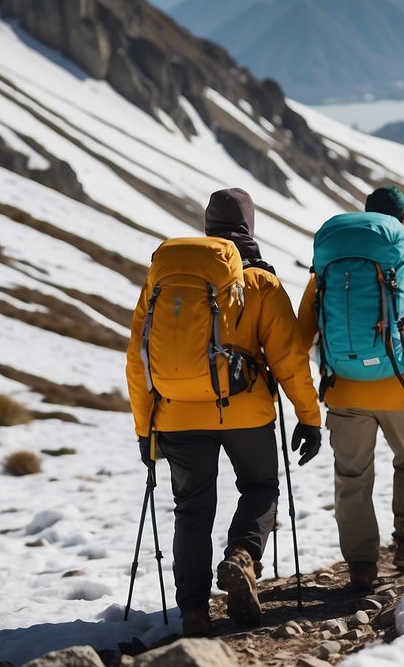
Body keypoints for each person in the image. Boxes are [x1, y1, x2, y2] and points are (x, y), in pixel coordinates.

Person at [126, 188, 322, 637]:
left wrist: (144, 429)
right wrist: (309, 417)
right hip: (246, 413)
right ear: (249, 226)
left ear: (208, 226)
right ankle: (243, 557)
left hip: (176, 415)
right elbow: (290, 359)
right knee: (260, 486)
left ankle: (193, 610)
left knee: (192, 508)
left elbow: (137, 360)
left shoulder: (163, 281)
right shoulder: (260, 282)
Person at [297, 185, 404, 589]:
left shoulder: (328, 268)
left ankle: (360, 565)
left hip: (344, 390)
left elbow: (299, 335)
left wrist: (301, 400)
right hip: (401, 390)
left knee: (352, 478)